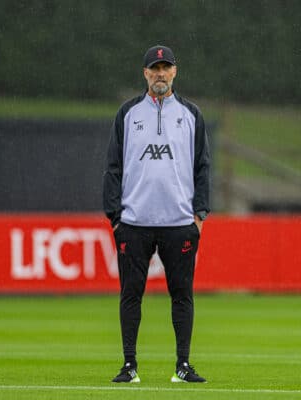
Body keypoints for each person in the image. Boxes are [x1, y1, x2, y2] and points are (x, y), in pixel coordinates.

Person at [103, 45, 210, 384]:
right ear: (145, 73)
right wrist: (115, 217)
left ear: (175, 72)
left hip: (179, 224)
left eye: (166, 67)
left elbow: (202, 167)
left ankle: (182, 366)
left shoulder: (191, 114)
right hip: (134, 223)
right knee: (130, 295)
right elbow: (113, 167)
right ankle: (129, 366)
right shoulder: (128, 113)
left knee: (182, 296)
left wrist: (200, 215)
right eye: (154, 68)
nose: (160, 73)